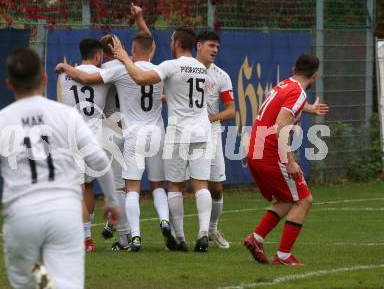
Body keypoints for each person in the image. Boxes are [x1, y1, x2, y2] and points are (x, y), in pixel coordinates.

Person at [0, 48, 120, 288]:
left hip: (22, 218)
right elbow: (100, 160)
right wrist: (112, 201)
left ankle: (43, 281)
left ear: (9, 83)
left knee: (31, 280)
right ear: (44, 79)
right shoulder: (66, 116)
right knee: (65, 284)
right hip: (64, 215)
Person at [56, 31, 177, 252]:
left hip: (79, 135)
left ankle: (90, 238)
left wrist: (65, 67)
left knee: (87, 188)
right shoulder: (137, 70)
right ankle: (128, 236)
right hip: (116, 133)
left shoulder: (70, 75)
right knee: (126, 188)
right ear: (99, 55)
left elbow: (79, 84)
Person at [110, 27, 213, 252]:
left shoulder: (170, 65)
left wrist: (124, 57)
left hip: (178, 132)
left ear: (176, 43)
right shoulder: (203, 68)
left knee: (175, 186)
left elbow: (139, 77)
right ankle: (203, 234)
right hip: (202, 130)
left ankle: (181, 237)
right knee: (201, 185)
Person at [244, 53, 325, 266]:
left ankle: (257, 238)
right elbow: (281, 124)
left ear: (293, 69)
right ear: (314, 76)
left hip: (256, 149)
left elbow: (286, 107)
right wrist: (289, 160)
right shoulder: (298, 93)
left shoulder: (284, 85)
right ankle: (283, 256)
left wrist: (311, 109)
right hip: (271, 152)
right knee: (304, 200)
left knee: (288, 200)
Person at [58, 37, 111, 253]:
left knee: (77, 189)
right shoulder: (104, 76)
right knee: (88, 187)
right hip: (95, 138)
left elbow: (60, 106)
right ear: (98, 55)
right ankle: (85, 234)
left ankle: (85, 238)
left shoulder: (64, 75)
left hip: (72, 137)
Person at [195, 30, 235, 249]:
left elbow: (231, 111)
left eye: (217, 47)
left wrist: (210, 118)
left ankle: (211, 229)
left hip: (211, 133)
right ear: (198, 46)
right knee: (178, 185)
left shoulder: (221, 76)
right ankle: (177, 236)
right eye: (211, 45)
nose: (215, 50)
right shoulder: (184, 69)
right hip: (185, 131)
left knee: (216, 187)